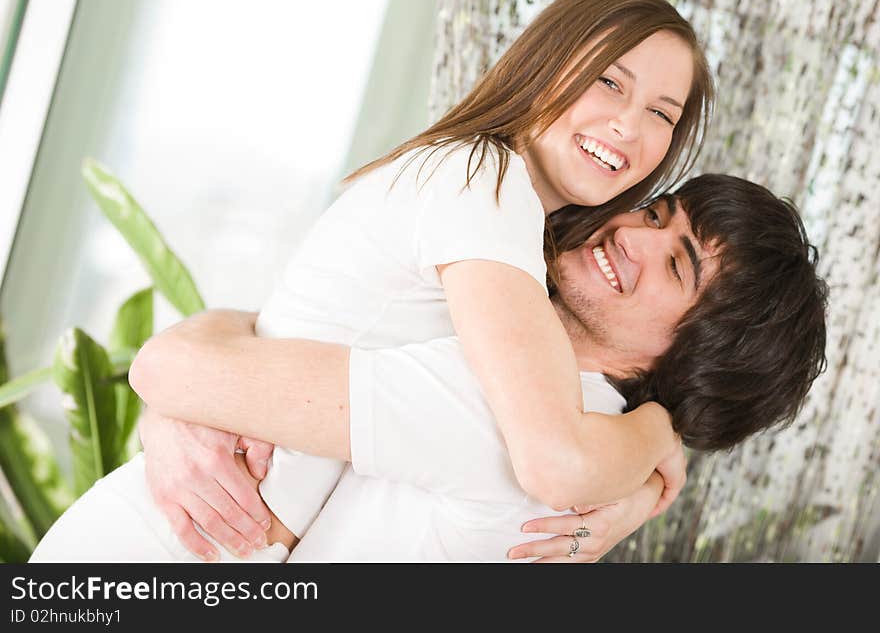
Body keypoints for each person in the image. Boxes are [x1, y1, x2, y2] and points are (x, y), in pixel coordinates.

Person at [119, 0, 715, 562]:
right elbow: (554, 459)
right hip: (173, 539)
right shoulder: (486, 186)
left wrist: (637, 491)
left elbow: (310, 330)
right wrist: (661, 431)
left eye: (662, 114)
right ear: (548, 64)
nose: (628, 127)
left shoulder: (511, 229)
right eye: (609, 81)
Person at [30, 175, 828, 562]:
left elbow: (172, 371)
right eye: (657, 212)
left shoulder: (503, 412)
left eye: (678, 264)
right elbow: (273, 339)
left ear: (700, 354)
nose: (632, 234)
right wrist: (659, 444)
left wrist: (179, 398)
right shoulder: (528, 364)